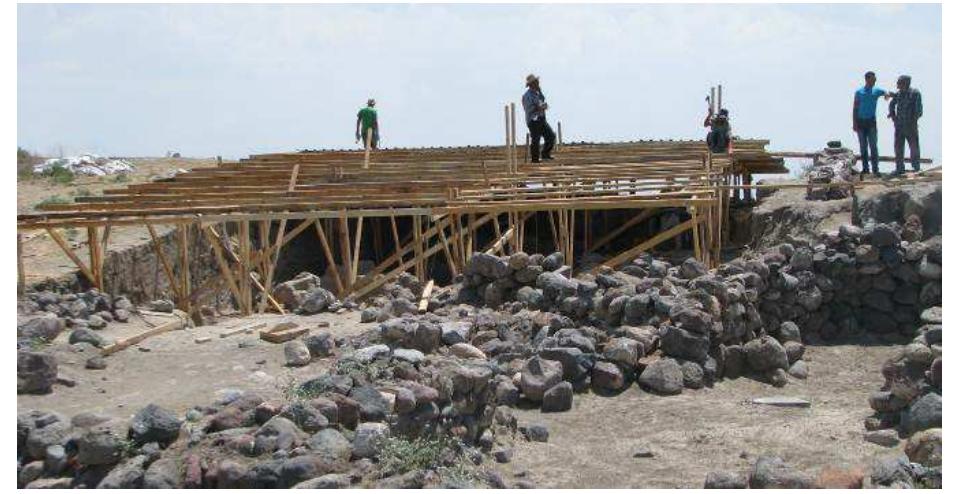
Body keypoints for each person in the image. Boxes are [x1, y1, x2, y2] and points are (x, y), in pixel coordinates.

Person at [852, 71, 890, 177]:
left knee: (873, 146)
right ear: (867, 79)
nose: (874, 81)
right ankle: (865, 169)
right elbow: (855, 108)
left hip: (871, 122)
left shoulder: (876, 90)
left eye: (875, 79)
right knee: (863, 147)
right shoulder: (859, 92)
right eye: (873, 79)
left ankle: (875, 169)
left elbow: (885, 92)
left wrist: (886, 95)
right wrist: (854, 123)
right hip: (860, 122)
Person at [888, 75, 923, 175]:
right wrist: (893, 116)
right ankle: (899, 168)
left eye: (899, 83)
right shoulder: (899, 94)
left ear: (906, 83)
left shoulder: (915, 93)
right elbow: (892, 104)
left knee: (914, 147)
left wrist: (913, 120)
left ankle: (916, 168)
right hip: (899, 126)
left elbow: (919, 110)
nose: (897, 85)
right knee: (898, 147)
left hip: (911, 126)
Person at [522, 74, 556, 163]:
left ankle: (545, 154)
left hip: (541, 119)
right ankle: (535, 160)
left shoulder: (537, 93)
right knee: (536, 139)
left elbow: (542, 100)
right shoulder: (527, 95)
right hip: (533, 120)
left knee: (551, 136)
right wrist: (539, 108)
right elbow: (528, 109)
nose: (538, 83)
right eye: (536, 82)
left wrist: (541, 94)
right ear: (531, 84)